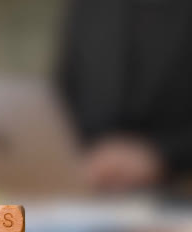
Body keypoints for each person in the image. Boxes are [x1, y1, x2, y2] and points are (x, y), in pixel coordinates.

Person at [58, 0, 192, 191]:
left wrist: (163, 156)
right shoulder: (89, 6)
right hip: (89, 189)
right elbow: (63, 97)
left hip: (178, 191)